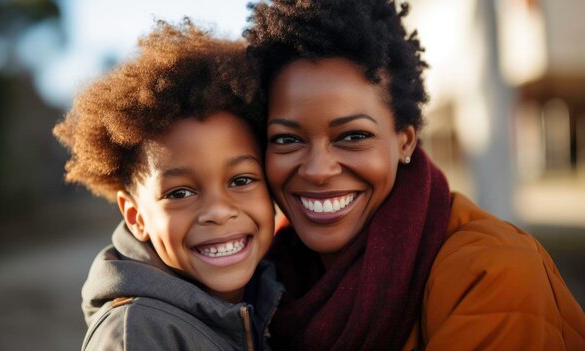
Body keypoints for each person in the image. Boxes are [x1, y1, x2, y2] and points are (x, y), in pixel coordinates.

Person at [244, 0, 585, 350]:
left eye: (353, 137)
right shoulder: (258, 271)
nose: (317, 170)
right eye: (286, 139)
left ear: (405, 140)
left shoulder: (494, 272)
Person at [53, 19, 283, 350]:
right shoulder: (137, 335)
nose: (218, 211)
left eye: (241, 180)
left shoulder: (272, 297)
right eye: (180, 193)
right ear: (136, 217)